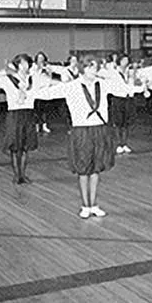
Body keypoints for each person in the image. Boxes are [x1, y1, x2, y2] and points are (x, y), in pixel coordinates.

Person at [34, 56, 117, 218]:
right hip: (81, 131)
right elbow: (48, 94)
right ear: (82, 69)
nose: (93, 71)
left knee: (96, 168)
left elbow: (122, 89)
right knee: (83, 168)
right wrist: (34, 88)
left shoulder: (103, 84)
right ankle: (85, 205)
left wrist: (139, 87)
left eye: (95, 67)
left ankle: (94, 204)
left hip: (99, 129)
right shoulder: (72, 86)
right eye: (90, 67)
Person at [0, 53, 53, 184]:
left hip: (28, 114)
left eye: (26, 63)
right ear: (16, 65)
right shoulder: (8, 79)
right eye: (21, 63)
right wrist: (1, 70)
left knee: (25, 147)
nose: (24, 65)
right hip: (14, 115)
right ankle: (16, 175)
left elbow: (50, 83)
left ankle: (23, 174)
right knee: (15, 146)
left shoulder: (34, 79)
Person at [100, 55, 143, 155]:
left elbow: (137, 82)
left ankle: (125, 143)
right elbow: (102, 74)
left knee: (127, 123)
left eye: (127, 60)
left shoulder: (130, 72)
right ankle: (119, 144)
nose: (125, 62)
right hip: (118, 98)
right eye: (123, 60)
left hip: (129, 98)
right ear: (119, 61)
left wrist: (137, 76)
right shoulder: (114, 72)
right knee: (118, 122)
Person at [32, 51, 54, 134]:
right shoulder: (33, 68)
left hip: (45, 92)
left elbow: (50, 78)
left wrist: (47, 71)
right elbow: (32, 76)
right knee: (36, 110)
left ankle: (44, 125)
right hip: (36, 92)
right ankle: (37, 126)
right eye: (39, 58)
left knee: (45, 110)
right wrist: (39, 69)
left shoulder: (47, 67)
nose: (40, 60)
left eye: (42, 58)